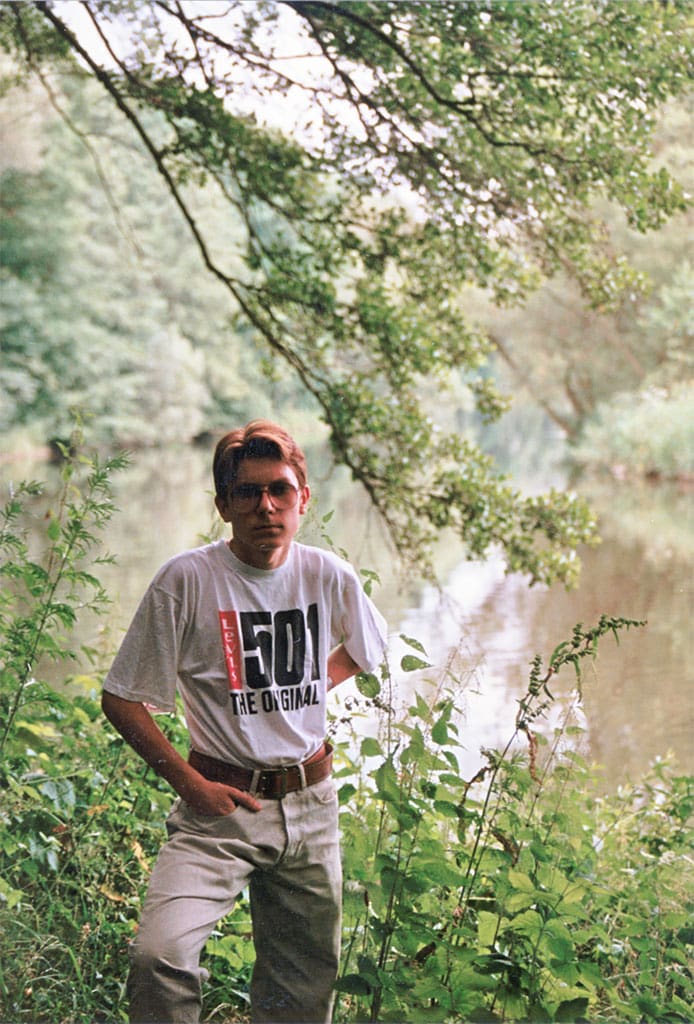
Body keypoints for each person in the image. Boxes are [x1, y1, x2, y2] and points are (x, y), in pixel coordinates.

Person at [101, 420, 387, 1024]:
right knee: (161, 957)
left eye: (280, 490)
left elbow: (367, 648)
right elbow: (123, 698)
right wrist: (189, 784)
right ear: (223, 506)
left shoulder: (328, 576)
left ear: (303, 499)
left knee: (303, 994)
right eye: (248, 493)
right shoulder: (188, 581)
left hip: (311, 806)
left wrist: (304, 684)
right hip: (219, 811)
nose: (266, 507)